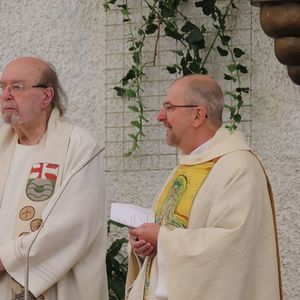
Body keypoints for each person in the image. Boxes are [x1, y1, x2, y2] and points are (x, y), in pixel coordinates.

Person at [126, 74, 282, 300]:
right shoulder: (188, 164)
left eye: (169, 108)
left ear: (198, 115)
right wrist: (144, 246)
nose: (160, 117)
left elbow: (232, 249)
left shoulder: (239, 167)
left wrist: (163, 238)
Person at [0, 57, 108, 300]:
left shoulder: (79, 146)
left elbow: (72, 226)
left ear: (46, 97)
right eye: (3, 87)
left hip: (56, 289)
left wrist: (6, 259)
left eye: (17, 87)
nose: (6, 95)